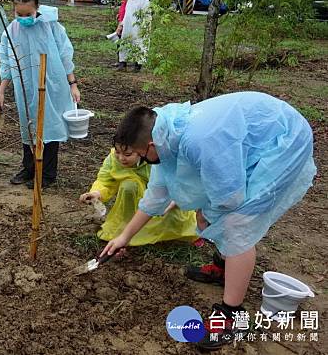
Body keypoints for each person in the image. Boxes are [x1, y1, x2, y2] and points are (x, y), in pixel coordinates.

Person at [100, 92, 316, 350]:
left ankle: (231, 315)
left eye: (140, 155)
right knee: (208, 214)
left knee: (238, 225)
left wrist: (194, 203)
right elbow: (155, 197)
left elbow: (230, 198)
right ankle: (225, 269)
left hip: (284, 140)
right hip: (247, 140)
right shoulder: (167, 133)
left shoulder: (198, 140)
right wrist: (124, 237)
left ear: (150, 146)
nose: (144, 162)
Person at [0, 0, 80, 189]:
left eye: (29, 14)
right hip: (24, 85)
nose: (24, 18)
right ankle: (29, 168)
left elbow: (64, 55)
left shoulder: (51, 27)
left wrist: (73, 84)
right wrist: (1, 91)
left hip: (52, 84)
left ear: (38, 9)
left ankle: (48, 174)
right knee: (28, 125)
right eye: (19, 14)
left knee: (49, 126)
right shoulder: (11, 31)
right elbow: (7, 62)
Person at [80, 147, 197, 245]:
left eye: (127, 154)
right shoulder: (113, 159)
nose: (121, 158)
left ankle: (168, 234)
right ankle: (128, 230)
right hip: (135, 203)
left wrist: (173, 201)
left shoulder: (156, 159)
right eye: (117, 152)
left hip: (163, 201)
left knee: (173, 218)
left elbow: (178, 185)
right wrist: (96, 193)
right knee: (128, 187)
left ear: (141, 150)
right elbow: (105, 180)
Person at [118, 0, 150, 72]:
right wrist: (122, 24)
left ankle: (138, 65)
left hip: (138, 28)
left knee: (139, 44)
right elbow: (127, 15)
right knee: (125, 43)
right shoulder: (130, 0)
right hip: (128, 27)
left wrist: (144, 29)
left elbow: (146, 17)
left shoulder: (144, 1)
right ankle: (122, 63)